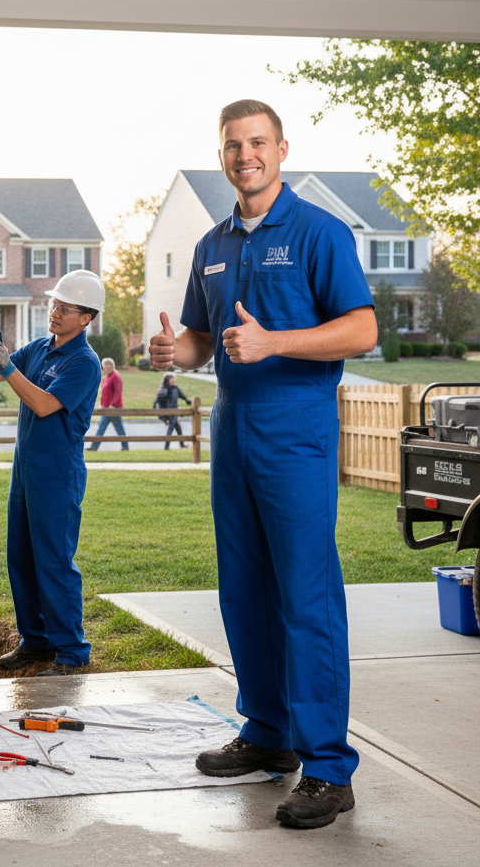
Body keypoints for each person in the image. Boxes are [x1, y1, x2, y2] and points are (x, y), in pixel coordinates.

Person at [149, 100, 377, 829]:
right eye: (231, 144)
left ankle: (329, 768)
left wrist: (276, 343)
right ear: (221, 155)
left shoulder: (320, 232)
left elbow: (363, 328)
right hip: (233, 431)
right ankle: (269, 734)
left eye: (256, 142)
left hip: (296, 432)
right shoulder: (213, 244)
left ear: (280, 149)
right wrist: (171, 355)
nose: (244, 154)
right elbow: (199, 338)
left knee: (306, 599)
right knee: (244, 590)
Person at [0, 270, 103, 676]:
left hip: (57, 473)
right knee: (21, 557)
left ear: (86, 318)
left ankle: (71, 652)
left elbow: (45, 404)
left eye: (65, 308)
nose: (55, 312)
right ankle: (35, 640)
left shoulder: (84, 362)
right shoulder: (40, 348)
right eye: (54, 304)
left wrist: (9, 369)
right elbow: (0, 373)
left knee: (53, 561)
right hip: (26, 471)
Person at [88, 357, 129, 451]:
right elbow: (105, 393)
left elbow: (117, 392)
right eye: (105, 365)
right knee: (113, 428)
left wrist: (112, 405)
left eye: (109, 365)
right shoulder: (107, 377)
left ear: (112, 366)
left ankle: (94, 447)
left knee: (105, 427)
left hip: (113, 408)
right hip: (106, 408)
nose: (107, 367)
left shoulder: (115, 376)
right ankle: (124, 446)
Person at [153, 372, 191, 449]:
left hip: (175, 410)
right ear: (167, 380)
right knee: (171, 427)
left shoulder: (175, 388)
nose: (173, 381)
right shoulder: (163, 389)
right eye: (172, 380)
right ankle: (167, 446)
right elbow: (158, 400)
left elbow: (181, 395)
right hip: (168, 411)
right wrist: (158, 411)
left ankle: (181, 444)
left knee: (178, 428)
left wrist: (186, 400)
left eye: (174, 380)